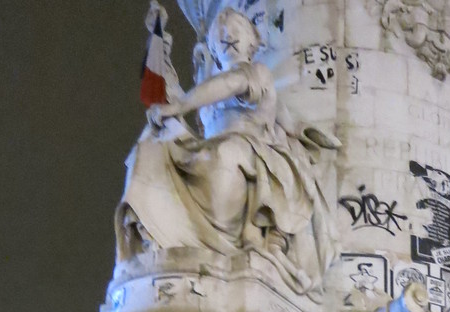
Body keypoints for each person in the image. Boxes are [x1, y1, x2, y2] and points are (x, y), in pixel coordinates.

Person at [117, 7, 340, 295]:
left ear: (253, 42)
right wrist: (163, 56)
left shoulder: (254, 72)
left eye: (237, 29)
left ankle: (223, 246)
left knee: (226, 154)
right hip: (214, 149)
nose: (228, 35)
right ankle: (157, 232)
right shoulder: (209, 91)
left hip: (254, 151)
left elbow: (230, 85)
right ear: (211, 47)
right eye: (220, 33)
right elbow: (192, 94)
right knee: (152, 147)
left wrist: (315, 143)